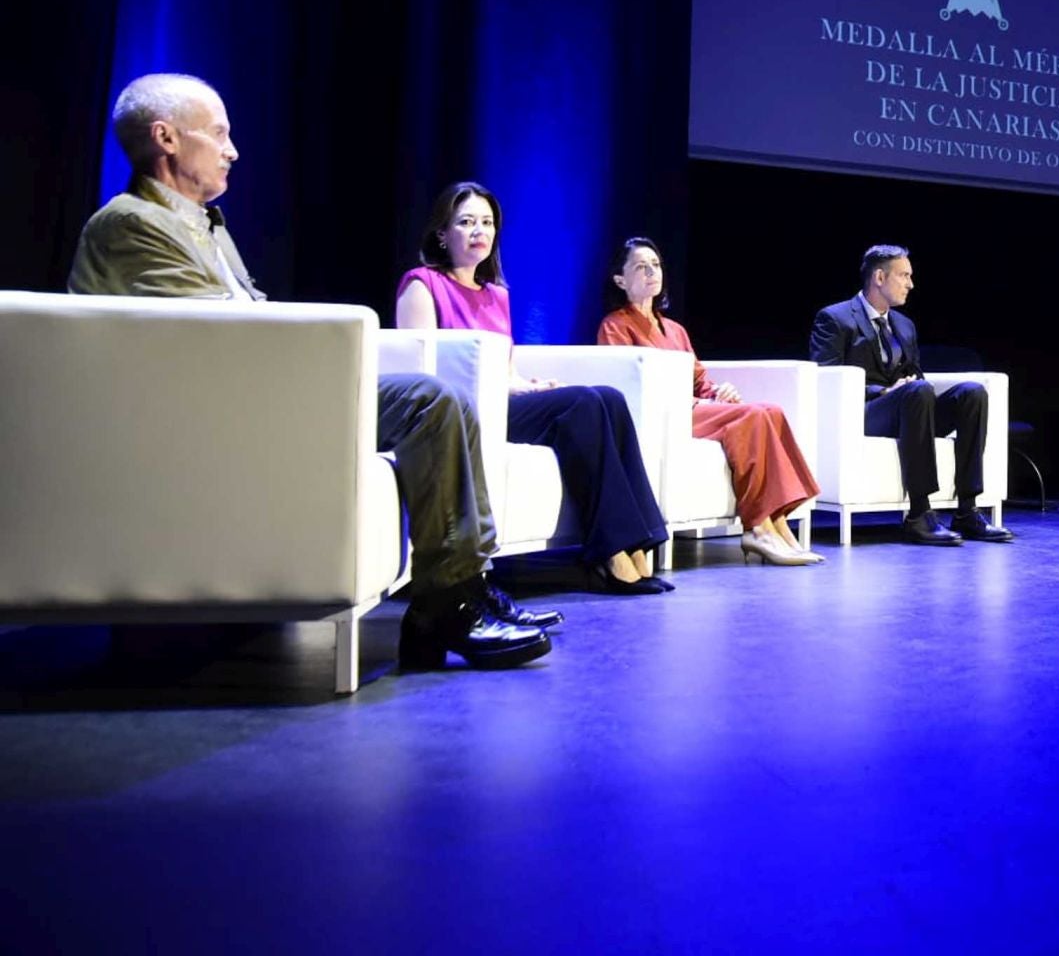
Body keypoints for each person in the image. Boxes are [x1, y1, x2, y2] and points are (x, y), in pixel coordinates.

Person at [70, 74, 554, 671]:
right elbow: (210, 339)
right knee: (429, 400)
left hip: (254, 392)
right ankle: (447, 604)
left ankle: (462, 590)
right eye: (219, 134)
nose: (233, 149)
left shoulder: (202, 222)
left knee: (440, 398)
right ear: (166, 138)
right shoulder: (132, 223)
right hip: (215, 408)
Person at [397, 181, 673, 594]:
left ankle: (642, 539)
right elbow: (422, 374)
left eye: (487, 223)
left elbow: (505, 369)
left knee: (609, 400)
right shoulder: (422, 284)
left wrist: (529, 385)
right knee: (582, 404)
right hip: (464, 414)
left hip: (503, 402)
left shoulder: (496, 295)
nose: (479, 232)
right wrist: (510, 390)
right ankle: (609, 552)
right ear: (442, 233)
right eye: (467, 222)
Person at [598, 237, 823, 566]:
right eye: (640, 267)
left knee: (771, 411)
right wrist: (693, 400)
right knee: (753, 418)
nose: (651, 272)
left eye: (656, 265)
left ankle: (778, 523)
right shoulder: (615, 326)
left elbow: (700, 379)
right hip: (663, 415)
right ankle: (758, 528)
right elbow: (625, 384)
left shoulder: (674, 330)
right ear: (620, 279)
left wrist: (718, 393)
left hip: (693, 409)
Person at [809, 244, 1012, 545]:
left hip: (910, 408)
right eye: (904, 275)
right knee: (916, 393)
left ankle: (967, 510)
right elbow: (824, 377)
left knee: (972, 393)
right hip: (862, 413)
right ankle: (919, 514)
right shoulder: (835, 318)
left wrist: (909, 386)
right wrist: (883, 391)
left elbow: (915, 375)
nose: (911, 284)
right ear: (879, 277)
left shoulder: (904, 325)